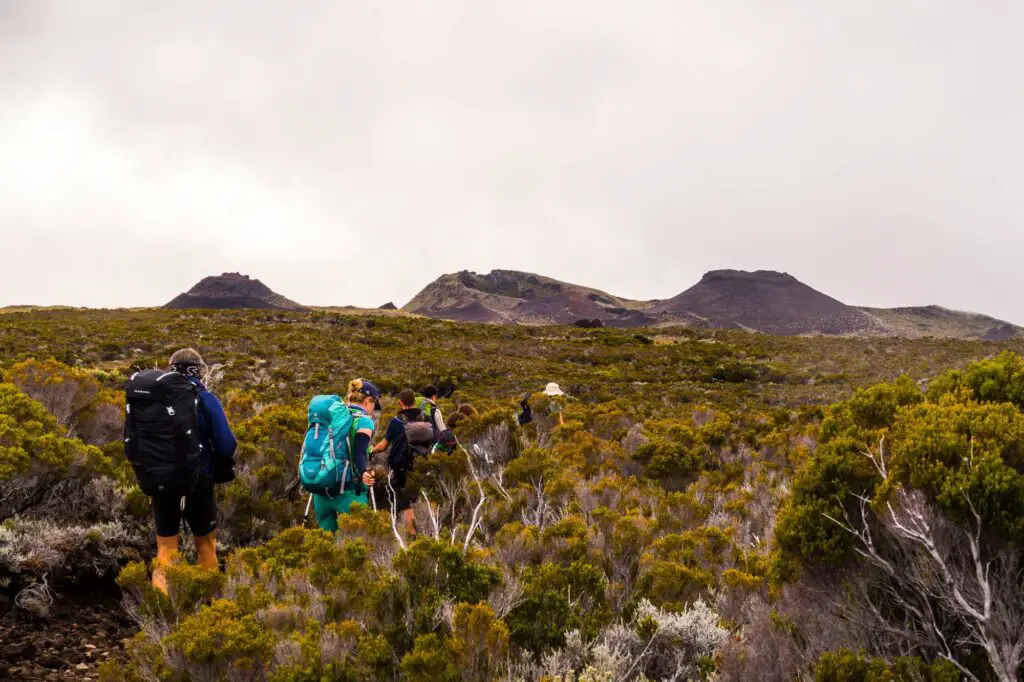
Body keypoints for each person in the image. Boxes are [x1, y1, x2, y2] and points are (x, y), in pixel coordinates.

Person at [151, 348, 237, 595]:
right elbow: (226, 443)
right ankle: (209, 607)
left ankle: (162, 609)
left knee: (166, 549)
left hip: (161, 483)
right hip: (198, 483)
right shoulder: (205, 398)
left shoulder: (153, 398)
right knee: (206, 546)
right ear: (198, 370)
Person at [311, 379, 380, 533]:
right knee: (358, 541)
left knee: (325, 544)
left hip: (321, 490)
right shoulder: (363, 421)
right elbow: (359, 452)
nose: (374, 408)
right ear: (368, 401)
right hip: (349, 492)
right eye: (374, 403)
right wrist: (364, 472)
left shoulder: (330, 416)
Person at [370, 389, 433, 536]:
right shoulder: (426, 417)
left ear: (401, 403)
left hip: (402, 466)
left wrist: (371, 451)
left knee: (405, 500)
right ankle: (431, 526)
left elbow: (384, 445)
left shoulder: (396, 421)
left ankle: (412, 533)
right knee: (425, 495)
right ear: (414, 401)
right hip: (423, 463)